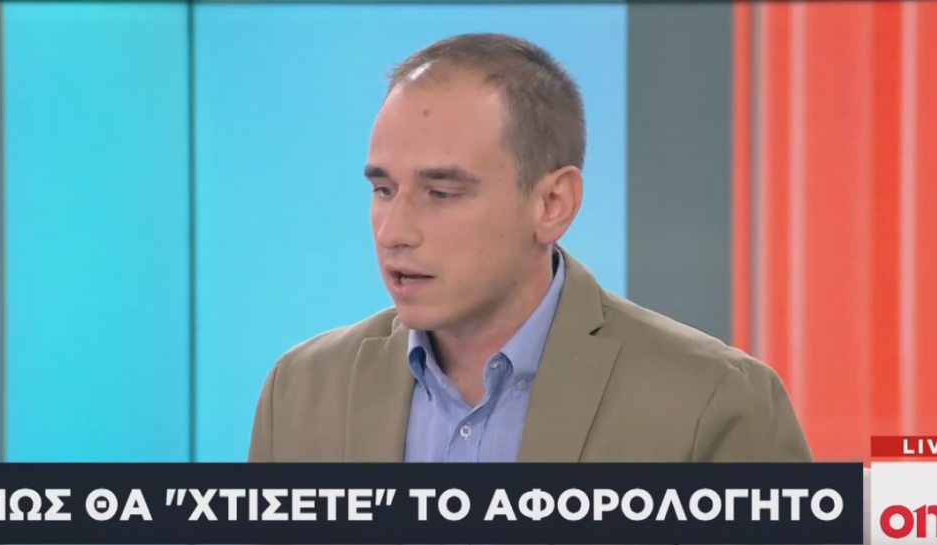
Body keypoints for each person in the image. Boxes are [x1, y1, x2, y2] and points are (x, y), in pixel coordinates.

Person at [247, 32, 813, 464]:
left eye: (441, 193)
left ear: (552, 204)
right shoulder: (300, 392)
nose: (394, 231)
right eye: (383, 190)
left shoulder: (712, 403)